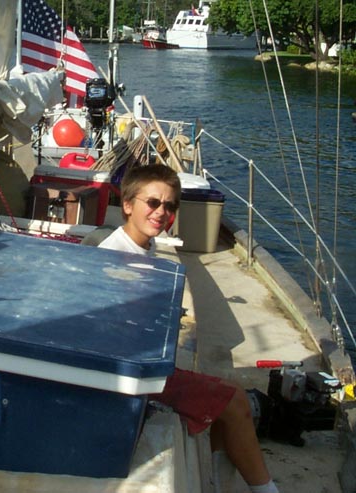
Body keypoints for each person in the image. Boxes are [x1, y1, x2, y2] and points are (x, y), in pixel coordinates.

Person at [99, 165, 279, 493]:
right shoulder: (115, 258)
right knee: (235, 402)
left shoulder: (143, 247)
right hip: (131, 376)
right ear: (127, 204)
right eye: (152, 202)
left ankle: (220, 485)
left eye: (169, 206)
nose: (161, 212)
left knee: (231, 395)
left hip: (146, 363)